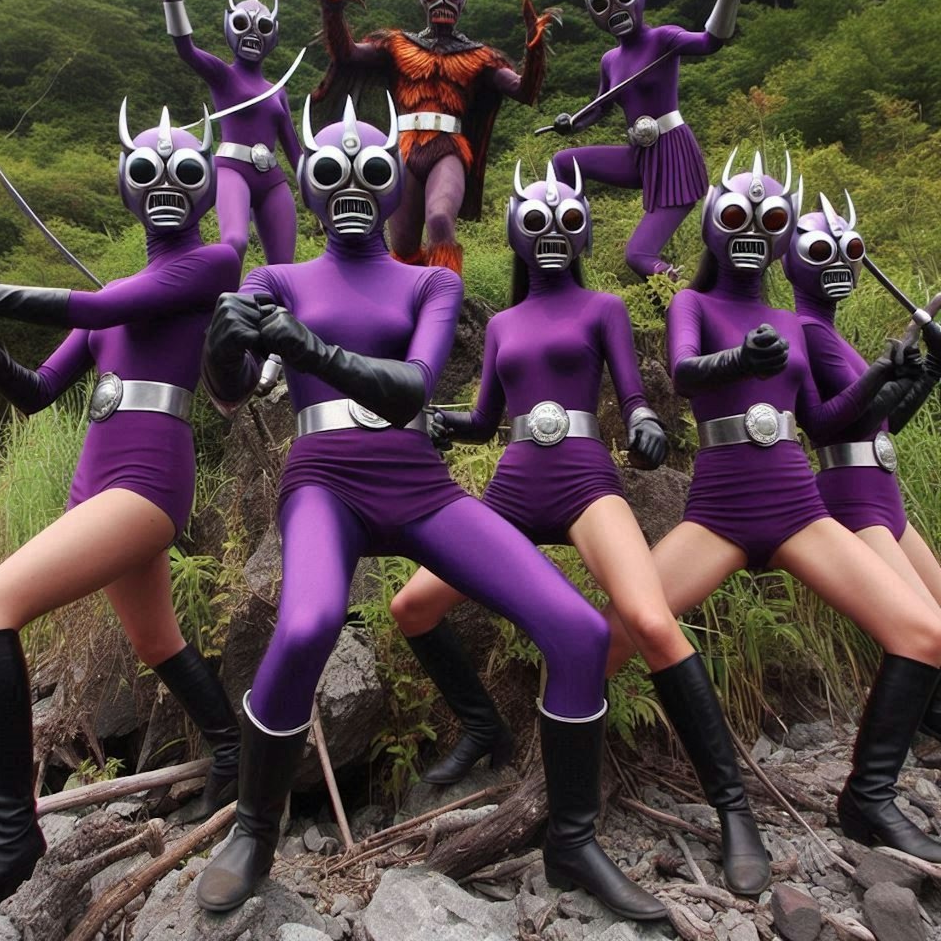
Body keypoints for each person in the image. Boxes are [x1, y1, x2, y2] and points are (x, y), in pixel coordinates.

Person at [194, 97, 665, 921]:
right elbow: (231, 393)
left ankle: (573, 841)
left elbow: (412, 387)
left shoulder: (432, 281)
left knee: (580, 631)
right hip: (324, 480)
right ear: (307, 185)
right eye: (331, 171)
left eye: (370, 171)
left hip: (419, 484)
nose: (350, 186)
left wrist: (303, 344)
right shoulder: (274, 280)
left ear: (392, 185)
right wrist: (220, 347)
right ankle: (254, 829)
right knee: (306, 626)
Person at [389, 159, 770, 896]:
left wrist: (646, 422)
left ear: (586, 232)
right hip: (511, 487)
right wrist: (438, 421)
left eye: (567, 222)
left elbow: (631, 393)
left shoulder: (604, 308)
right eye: (537, 223)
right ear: (516, 235)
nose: (553, 235)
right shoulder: (501, 323)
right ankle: (483, 726)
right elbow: (485, 418)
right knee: (413, 605)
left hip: (586, 481)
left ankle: (734, 810)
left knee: (650, 621)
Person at [0, 103, 243, 930]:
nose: (165, 186)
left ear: (206, 190)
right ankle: (235, 752)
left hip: (147, 484)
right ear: (127, 187)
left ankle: (6, 836)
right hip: (96, 484)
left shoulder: (208, 265)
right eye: (147, 171)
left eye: (185, 172)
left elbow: (96, 311)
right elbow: (33, 393)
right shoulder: (113, 307)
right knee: (155, 640)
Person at [599, 150, 941, 861]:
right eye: (737, 215)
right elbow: (684, 373)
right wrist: (738, 362)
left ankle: (869, 797)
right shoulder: (694, 303)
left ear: (785, 233)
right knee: (611, 636)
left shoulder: (794, 322)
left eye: (771, 218)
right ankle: (571, 772)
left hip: (798, 507)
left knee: (923, 634)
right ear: (712, 226)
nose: (754, 229)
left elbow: (821, 419)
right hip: (720, 510)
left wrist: (887, 372)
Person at [781, 190, 941, 733]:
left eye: (850, 250)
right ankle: (896, 751)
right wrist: (886, 374)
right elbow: (827, 425)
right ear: (793, 259)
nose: (840, 263)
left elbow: (883, 423)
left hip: (882, 493)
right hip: (853, 498)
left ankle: (928, 731)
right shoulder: (807, 331)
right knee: (922, 625)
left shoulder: (831, 334)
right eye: (822, 251)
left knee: (936, 616)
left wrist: (927, 371)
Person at [311, 0, 556, 274]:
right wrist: (333, 9)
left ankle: (446, 293)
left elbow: (523, 91)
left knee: (440, 218)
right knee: (403, 245)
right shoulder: (397, 45)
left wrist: (535, 49)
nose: (442, 0)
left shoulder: (479, 56)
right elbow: (347, 54)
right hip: (405, 147)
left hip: (448, 147)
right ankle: (410, 299)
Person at [548, 0, 761, 279]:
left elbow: (710, 41)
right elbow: (599, 107)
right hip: (640, 155)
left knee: (639, 254)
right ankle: (569, 246)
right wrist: (570, 124)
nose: (614, 9)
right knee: (563, 162)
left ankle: (679, 294)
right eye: (601, 4)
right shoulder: (610, 60)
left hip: (673, 154)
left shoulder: (663, 38)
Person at [153, 0, 301, 264]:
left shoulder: (278, 90)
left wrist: (324, 191)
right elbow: (186, 49)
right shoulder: (224, 75)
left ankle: (270, 297)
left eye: (263, 27)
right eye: (242, 24)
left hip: (272, 177)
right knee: (234, 243)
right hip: (232, 169)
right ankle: (223, 294)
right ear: (229, 26)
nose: (253, 34)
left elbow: (295, 152)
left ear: (273, 33)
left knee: (284, 265)